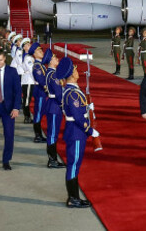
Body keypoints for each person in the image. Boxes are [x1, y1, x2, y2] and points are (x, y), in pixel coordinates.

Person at [57, 56, 100, 208]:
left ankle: (74, 196)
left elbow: (77, 110)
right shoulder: (73, 93)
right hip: (76, 132)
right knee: (73, 165)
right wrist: (90, 131)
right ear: (71, 74)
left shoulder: (71, 90)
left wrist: (87, 108)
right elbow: (76, 116)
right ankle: (73, 198)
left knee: (74, 165)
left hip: (75, 131)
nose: (77, 71)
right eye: (75, 70)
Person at [43, 47, 66, 168]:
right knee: (52, 134)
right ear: (51, 61)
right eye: (55, 58)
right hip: (54, 105)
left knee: (54, 133)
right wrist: (64, 105)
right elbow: (58, 93)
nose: (57, 59)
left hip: (52, 104)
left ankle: (53, 158)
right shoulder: (53, 75)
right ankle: (52, 160)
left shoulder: (51, 73)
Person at [31, 44, 49, 143]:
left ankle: (39, 134)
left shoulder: (41, 65)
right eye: (39, 51)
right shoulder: (37, 66)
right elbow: (42, 80)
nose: (41, 52)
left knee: (41, 112)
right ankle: (37, 135)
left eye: (41, 51)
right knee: (38, 113)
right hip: (40, 91)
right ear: (34, 54)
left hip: (42, 92)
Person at [20, 38, 35, 123]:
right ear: (24, 48)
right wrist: (36, 80)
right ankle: (27, 117)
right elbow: (31, 70)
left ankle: (27, 116)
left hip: (27, 80)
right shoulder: (28, 58)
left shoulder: (27, 56)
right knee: (26, 100)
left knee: (26, 99)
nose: (30, 46)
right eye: (28, 45)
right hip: (29, 80)